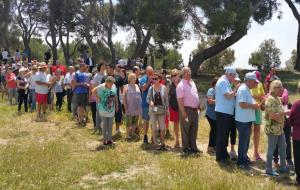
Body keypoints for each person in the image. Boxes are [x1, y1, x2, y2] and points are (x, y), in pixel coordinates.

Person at [265, 80, 290, 176]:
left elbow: (281, 110)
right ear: (274, 88)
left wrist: (285, 111)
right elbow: (273, 116)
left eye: (282, 87)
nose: (282, 89)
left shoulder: (277, 98)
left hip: (279, 128)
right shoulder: (270, 100)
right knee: (271, 149)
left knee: (283, 146)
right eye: (280, 87)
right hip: (272, 129)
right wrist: (285, 113)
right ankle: (269, 169)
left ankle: (283, 167)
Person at [235, 72, 260, 168]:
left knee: (246, 140)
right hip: (243, 120)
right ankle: (241, 162)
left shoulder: (246, 89)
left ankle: (244, 158)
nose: (256, 84)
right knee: (243, 141)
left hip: (246, 120)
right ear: (249, 81)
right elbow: (242, 104)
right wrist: (253, 106)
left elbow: (248, 102)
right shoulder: (243, 89)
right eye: (254, 82)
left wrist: (255, 104)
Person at [215, 68, 239, 162]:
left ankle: (223, 154)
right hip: (223, 112)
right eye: (233, 76)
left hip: (226, 112)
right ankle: (220, 156)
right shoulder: (223, 82)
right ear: (229, 74)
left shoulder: (226, 82)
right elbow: (228, 96)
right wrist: (235, 89)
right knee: (222, 135)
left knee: (224, 135)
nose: (234, 78)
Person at [176, 67, 201, 154]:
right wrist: (183, 112)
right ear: (183, 74)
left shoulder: (192, 82)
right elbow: (180, 100)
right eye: (187, 72)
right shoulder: (180, 85)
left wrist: (198, 105)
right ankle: (186, 148)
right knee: (185, 129)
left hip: (195, 110)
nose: (189, 74)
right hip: (186, 109)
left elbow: (196, 94)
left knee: (194, 128)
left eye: (190, 72)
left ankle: (193, 147)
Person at [93, 76, 118, 145]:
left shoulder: (113, 86)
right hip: (103, 108)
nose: (111, 85)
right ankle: (104, 140)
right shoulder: (101, 86)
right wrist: (98, 98)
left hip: (111, 108)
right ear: (106, 82)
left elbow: (115, 95)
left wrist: (117, 105)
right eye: (110, 84)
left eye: (112, 84)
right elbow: (93, 91)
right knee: (105, 124)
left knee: (110, 124)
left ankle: (109, 139)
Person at [273, 85, 294, 167]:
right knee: (276, 142)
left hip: (286, 125)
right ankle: (275, 159)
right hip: (277, 124)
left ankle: (288, 159)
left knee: (287, 141)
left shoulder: (289, 104)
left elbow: (284, 98)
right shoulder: (275, 101)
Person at [147, 72, 169, 150]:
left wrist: (167, 110)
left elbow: (166, 100)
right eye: (153, 79)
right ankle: (155, 143)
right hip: (153, 110)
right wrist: (151, 102)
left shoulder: (164, 88)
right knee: (154, 127)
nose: (154, 80)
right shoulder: (151, 88)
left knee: (162, 128)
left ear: (159, 79)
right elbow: (148, 99)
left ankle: (163, 143)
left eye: (156, 79)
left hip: (162, 110)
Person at [101, 64, 124, 135]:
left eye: (107, 68)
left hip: (116, 99)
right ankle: (107, 130)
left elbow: (122, 87)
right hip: (107, 99)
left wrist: (122, 97)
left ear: (112, 69)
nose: (106, 70)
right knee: (108, 115)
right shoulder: (104, 78)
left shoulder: (118, 77)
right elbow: (101, 88)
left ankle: (117, 129)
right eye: (106, 68)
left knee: (118, 114)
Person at [250, 71, 265, 161]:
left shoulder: (260, 84)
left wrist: (261, 99)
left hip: (258, 109)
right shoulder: (247, 85)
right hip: (249, 109)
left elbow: (262, 96)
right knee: (248, 131)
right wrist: (255, 96)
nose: (257, 82)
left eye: (257, 80)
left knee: (257, 131)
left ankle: (256, 152)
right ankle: (245, 152)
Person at [123, 73, 142, 140]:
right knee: (129, 121)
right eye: (132, 78)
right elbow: (124, 96)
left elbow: (139, 95)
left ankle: (133, 132)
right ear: (129, 79)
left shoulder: (137, 85)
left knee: (135, 121)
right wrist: (125, 105)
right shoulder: (126, 86)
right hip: (129, 106)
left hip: (137, 107)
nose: (134, 79)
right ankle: (127, 135)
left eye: (135, 78)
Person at [139, 66, 154, 144]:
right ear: (146, 72)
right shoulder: (143, 79)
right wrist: (149, 81)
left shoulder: (155, 78)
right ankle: (145, 136)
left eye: (152, 72)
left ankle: (153, 136)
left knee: (154, 121)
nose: (151, 73)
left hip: (154, 104)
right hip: (145, 103)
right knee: (146, 121)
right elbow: (143, 89)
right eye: (149, 72)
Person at [90, 62, 106, 133]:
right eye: (102, 66)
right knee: (99, 112)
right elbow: (93, 86)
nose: (103, 67)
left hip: (105, 96)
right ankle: (98, 127)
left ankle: (102, 127)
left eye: (104, 66)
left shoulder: (105, 75)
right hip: (99, 96)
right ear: (99, 67)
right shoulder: (97, 75)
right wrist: (96, 96)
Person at [289, 82, 300, 185]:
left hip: (297, 136)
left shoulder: (296, 104)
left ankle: (299, 179)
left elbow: (291, 119)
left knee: (297, 156)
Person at [206, 77, 218, 153]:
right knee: (214, 130)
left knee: (216, 130)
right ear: (214, 83)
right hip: (210, 114)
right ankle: (210, 147)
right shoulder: (211, 90)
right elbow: (210, 101)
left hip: (216, 115)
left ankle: (214, 146)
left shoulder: (218, 91)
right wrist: (219, 101)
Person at [168, 69, 181, 148]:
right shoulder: (169, 84)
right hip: (173, 107)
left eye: (175, 75)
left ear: (179, 75)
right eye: (172, 75)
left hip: (183, 107)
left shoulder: (183, 83)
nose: (173, 77)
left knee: (184, 124)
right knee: (176, 124)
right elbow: (166, 95)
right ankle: (177, 140)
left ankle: (186, 140)